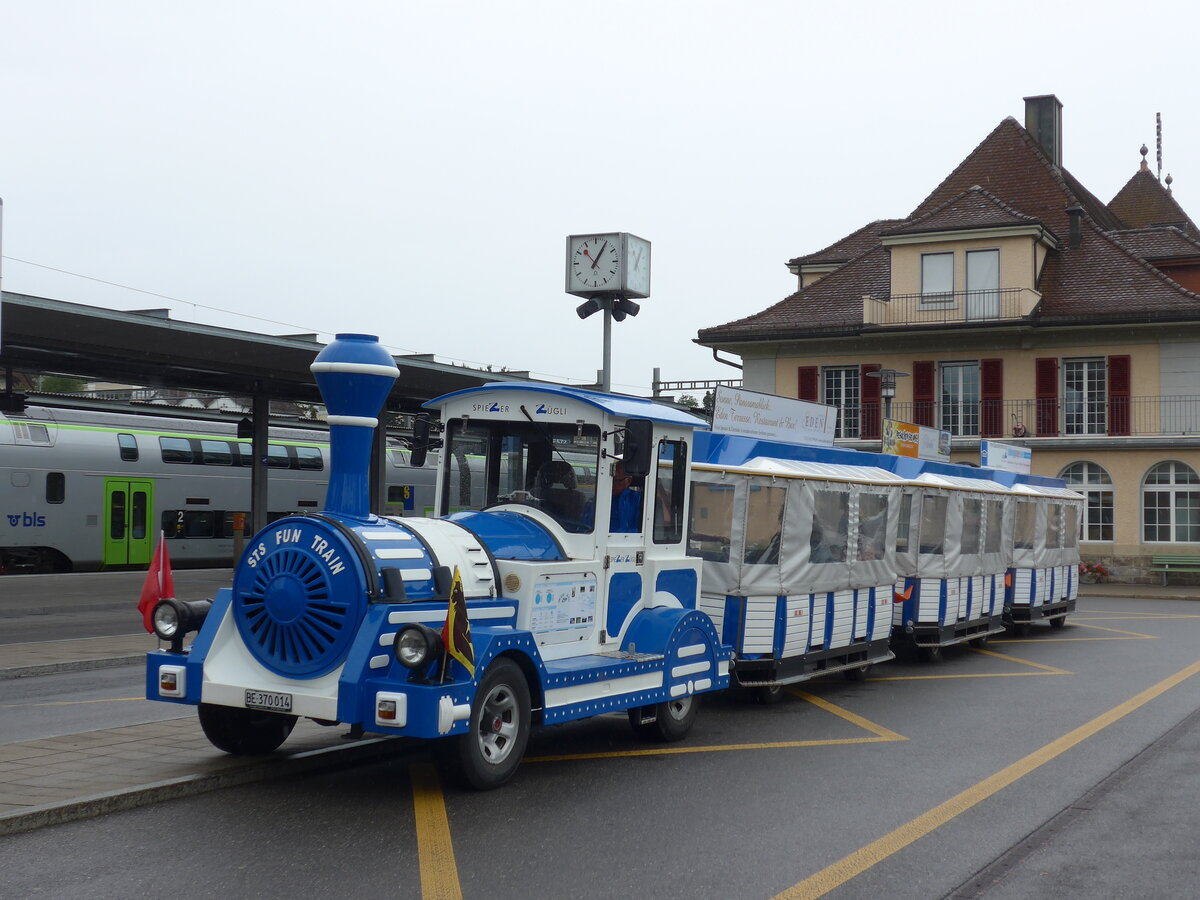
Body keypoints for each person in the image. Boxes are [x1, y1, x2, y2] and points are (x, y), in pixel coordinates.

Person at [610, 459, 642, 533]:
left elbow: (642, 531)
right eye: (611, 480)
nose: (612, 484)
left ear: (628, 481)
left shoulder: (638, 500)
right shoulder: (598, 500)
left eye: (616, 481)